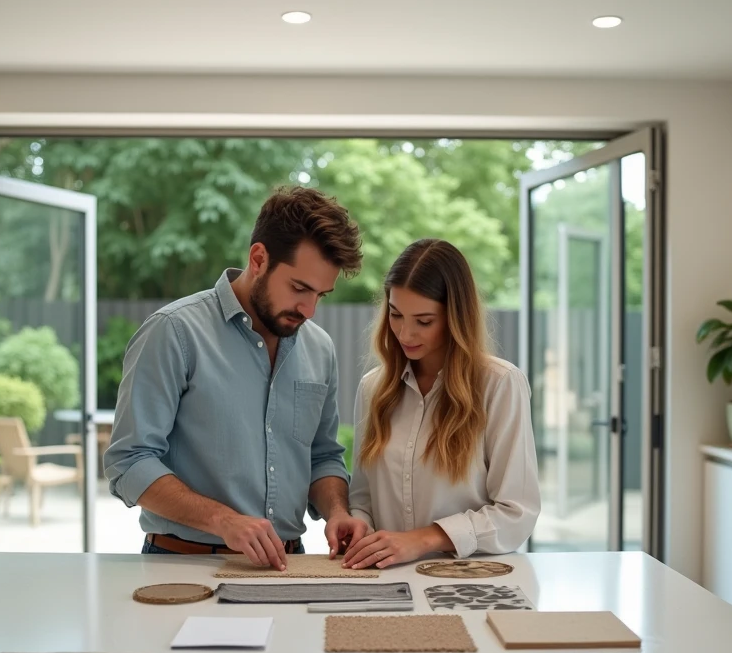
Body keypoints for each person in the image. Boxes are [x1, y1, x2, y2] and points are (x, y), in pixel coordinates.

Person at [104, 186, 371, 569]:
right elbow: (128, 462)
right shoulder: (173, 332)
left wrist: (337, 511)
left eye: (321, 295)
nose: (309, 310)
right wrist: (223, 521)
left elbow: (323, 455)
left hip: (291, 564)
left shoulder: (319, 347)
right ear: (259, 258)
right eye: (299, 288)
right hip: (185, 564)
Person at [343, 238, 541, 570]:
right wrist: (359, 522)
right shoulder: (373, 389)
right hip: (387, 581)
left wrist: (424, 539)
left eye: (424, 321)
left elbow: (516, 512)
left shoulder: (500, 384)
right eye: (395, 315)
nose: (405, 334)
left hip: (470, 582)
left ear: (456, 318)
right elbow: (363, 496)